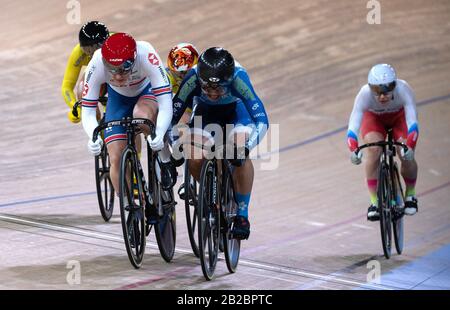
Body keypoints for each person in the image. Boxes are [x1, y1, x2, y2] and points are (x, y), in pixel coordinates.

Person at [171, 47, 269, 240]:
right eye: (206, 88)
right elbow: (172, 118)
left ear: (229, 81)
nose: (213, 93)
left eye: (220, 89)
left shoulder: (239, 78)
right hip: (206, 114)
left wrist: (246, 147)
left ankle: (242, 215)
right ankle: (209, 190)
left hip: (237, 114)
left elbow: (262, 121)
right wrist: (175, 144)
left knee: (239, 152)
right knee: (194, 155)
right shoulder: (192, 78)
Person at [80, 33, 176, 196]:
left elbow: (166, 104)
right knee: (115, 157)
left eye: (124, 69)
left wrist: (159, 134)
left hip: (147, 92)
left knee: (142, 115)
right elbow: (88, 111)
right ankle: (130, 207)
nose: (117, 76)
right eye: (112, 70)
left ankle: (164, 159)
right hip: (119, 99)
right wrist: (93, 136)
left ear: (134, 59)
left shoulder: (146, 54)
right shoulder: (96, 62)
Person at [347, 64, 419, 221]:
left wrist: (410, 147)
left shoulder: (403, 89)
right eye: (377, 91)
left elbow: (412, 122)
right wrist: (353, 149)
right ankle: (374, 202)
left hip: (399, 119)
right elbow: (353, 126)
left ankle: (410, 195)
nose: (382, 96)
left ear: (394, 85)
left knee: (404, 153)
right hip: (374, 119)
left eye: (387, 89)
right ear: (370, 88)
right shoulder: (364, 94)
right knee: (373, 150)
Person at [61, 21, 110, 123]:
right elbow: (67, 87)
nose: (93, 53)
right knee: (82, 88)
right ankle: (96, 127)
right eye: (88, 50)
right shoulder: (78, 53)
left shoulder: (114, 43)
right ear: (81, 47)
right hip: (100, 76)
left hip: (118, 74)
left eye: (97, 48)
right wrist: (76, 107)